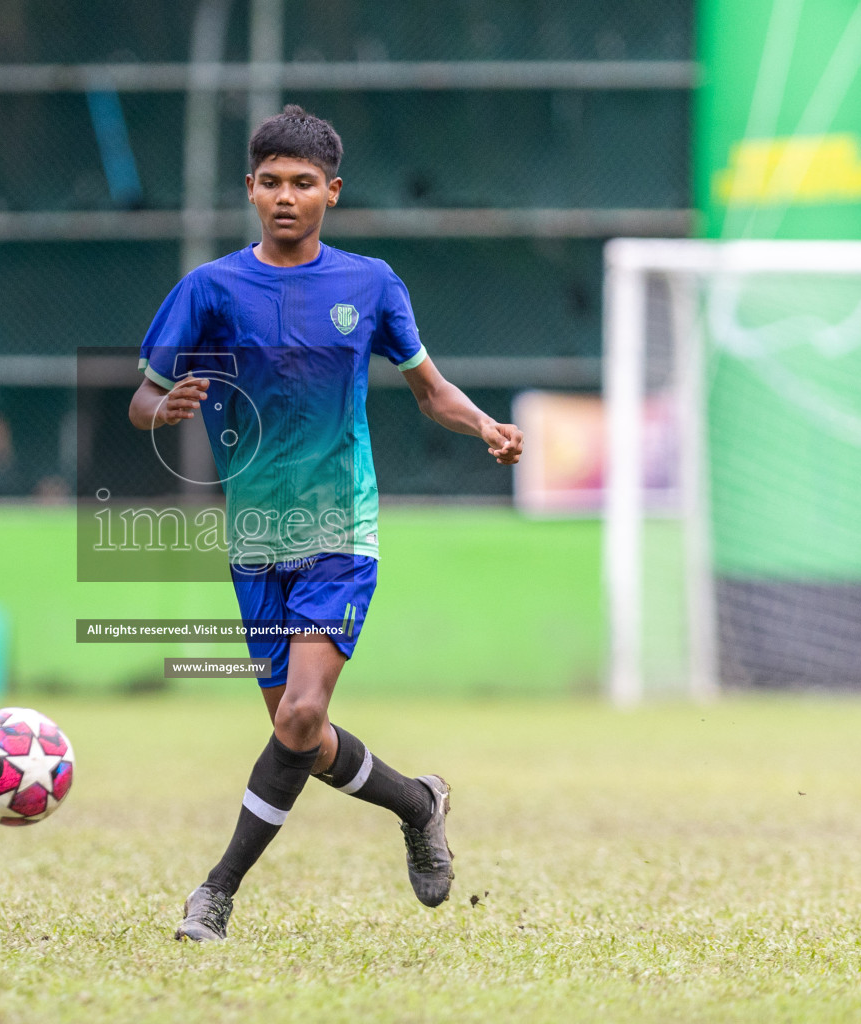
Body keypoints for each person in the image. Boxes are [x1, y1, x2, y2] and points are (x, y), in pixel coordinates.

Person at [127, 105, 524, 942]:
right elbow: (140, 399)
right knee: (298, 738)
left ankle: (215, 893)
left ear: (331, 193)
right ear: (249, 188)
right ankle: (419, 803)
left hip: (340, 531)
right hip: (254, 542)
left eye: (302, 183)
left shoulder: (370, 285)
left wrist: (484, 424)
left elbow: (429, 388)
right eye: (269, 181)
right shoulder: (209, 289)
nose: (284, 196)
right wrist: (167, 409)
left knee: (301, 718)